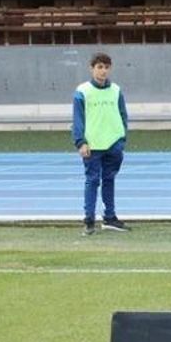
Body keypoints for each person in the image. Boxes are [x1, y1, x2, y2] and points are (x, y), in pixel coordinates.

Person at [72, 52, 131, 236]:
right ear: (92, 69)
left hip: (113, 144)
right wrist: (80, 142)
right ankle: (89, 220)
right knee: (92, 180)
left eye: (106, 67)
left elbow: (122, 115)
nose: (103, 71)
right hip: (92, 145)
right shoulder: (83, 92)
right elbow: (78, 119)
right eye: (99, 67)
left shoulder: (116, 90)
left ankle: (110, 218)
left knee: (109, 179)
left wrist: (121, 138)